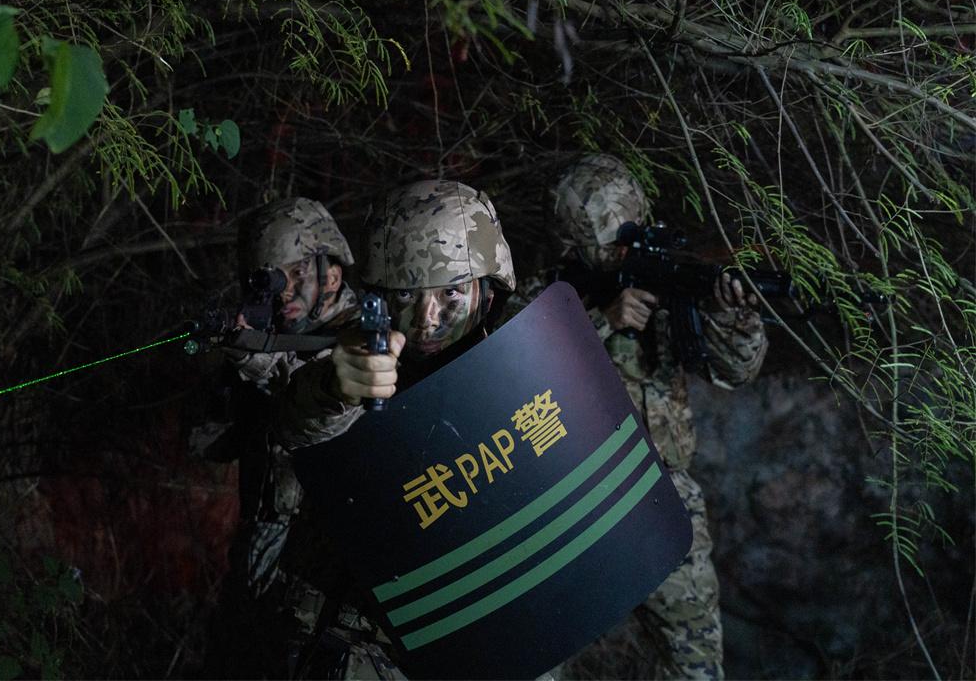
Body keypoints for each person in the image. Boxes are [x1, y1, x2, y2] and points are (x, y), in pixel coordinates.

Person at [506, 154, 768, 680]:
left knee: (696, 668)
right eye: (609, 241)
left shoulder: (667, 286)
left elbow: (736, 371)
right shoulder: (544, 296)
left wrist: (729, 315)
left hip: (661, 496)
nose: (624, 249)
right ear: (572, 241)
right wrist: (602, 322)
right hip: (564, 500)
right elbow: (510, 380)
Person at [269, 179, 516, 678]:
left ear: (487, 292)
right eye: (405, 293)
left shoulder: (522, 366)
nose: (426, 318)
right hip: (364, 638)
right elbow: (296, 426)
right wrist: (336, 388)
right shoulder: (362, 353)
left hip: (485, 635)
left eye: (450, 292)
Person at [193, 195, 358, 678]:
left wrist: (261, 363)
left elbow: (318, 400)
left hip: (328, 602)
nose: (282, 292)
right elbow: (205, 443)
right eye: (267, 280)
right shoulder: (268, 346)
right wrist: (235, 364)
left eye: (294, 274)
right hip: (258, 583)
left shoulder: (372, 345)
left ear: (331, 273)